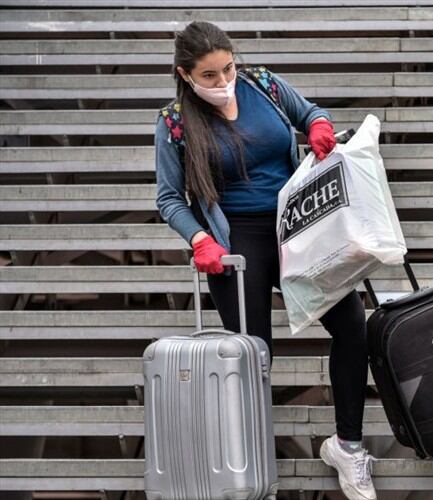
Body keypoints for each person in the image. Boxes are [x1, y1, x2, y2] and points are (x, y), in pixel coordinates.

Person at [153, 20, 376, 500]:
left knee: (353, 324)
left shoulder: (263, 83)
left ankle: (348, 446)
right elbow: (169, 198)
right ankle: (251, 467)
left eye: (227, 68)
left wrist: (316, 126)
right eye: (209, 75)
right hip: (237, 242)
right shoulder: (173, 121)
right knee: (254, 355)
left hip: (296, 228)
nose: (223, 81)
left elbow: (309, 112)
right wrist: (198, 240)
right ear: (185, 75)